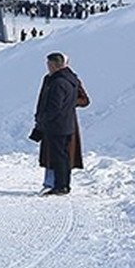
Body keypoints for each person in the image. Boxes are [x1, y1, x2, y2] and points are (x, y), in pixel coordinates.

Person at [33, 52, 84, 196]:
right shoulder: (70, 79)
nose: (47, 67)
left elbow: (54, 106)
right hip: (67, 124)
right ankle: (63, 184)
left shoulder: (57, 82)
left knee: (58, 157)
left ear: (55, 65)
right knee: (64, 156)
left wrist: (43, 120)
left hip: (56, 126)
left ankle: (60, 186)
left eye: (49, 64)